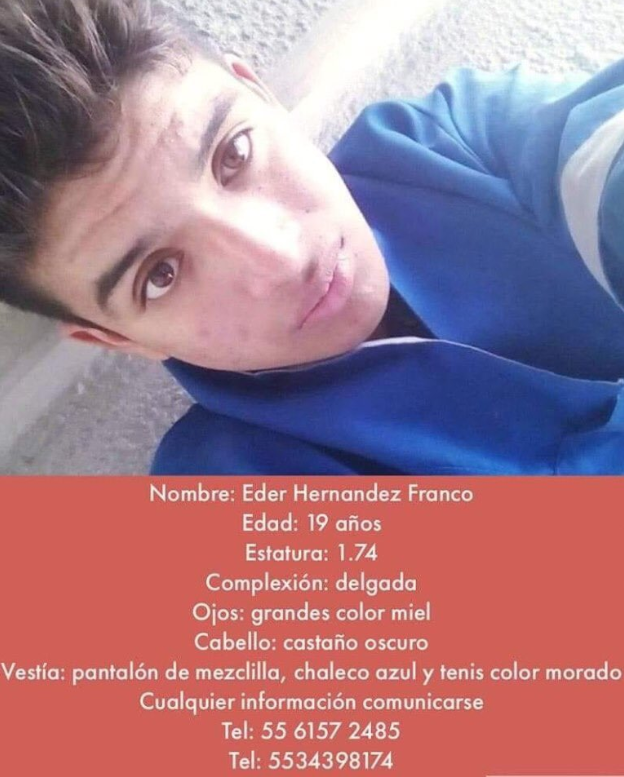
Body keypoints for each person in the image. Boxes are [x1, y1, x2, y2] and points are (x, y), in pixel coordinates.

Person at [2, 0, 624, 475]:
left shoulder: (457, 136)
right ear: (116, 339)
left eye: (234, 153)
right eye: (160, 275)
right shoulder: (232, 495)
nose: (281, 257)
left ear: (261, 94)